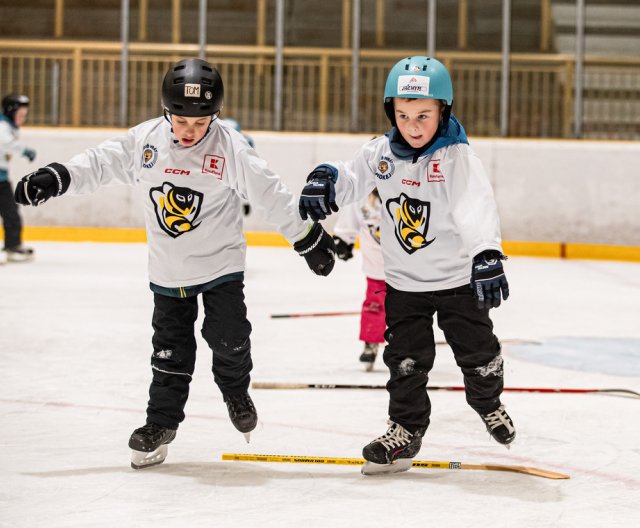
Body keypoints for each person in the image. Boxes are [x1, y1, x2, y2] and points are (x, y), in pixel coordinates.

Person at [14, 58, 336, 469]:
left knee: (229, 337)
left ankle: (235, 390)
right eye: (181, 121)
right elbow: (99, 163)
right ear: (167, 112)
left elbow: (271, 194)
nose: (190, 131)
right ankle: (160, 424)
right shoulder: (145, 141)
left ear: (215, 117)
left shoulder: (230, 147)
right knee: (169, 353)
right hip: (168, 271)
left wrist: (307, 240)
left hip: (220, 266)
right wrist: (57, 177)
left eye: (201, 123)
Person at [298, 56, 512, 474]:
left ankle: (488, 402)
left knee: (478, 353)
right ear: (390, 112)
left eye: (423, 116)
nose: (413, 126)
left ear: (443, 111)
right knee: (406, 363)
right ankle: (404, 429)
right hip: (404, 285)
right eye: (403, 115)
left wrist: (486, 252)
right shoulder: (381, 153)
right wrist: (325, 179)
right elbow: (352, 176)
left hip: (456, 282)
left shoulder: (456, 157)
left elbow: (476, 205)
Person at [333, 189, 386, 371]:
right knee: (374, 306)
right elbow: (349, 218)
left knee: (408, 310)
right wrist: (343, 239)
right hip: (377, 270)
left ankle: (408, 346)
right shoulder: (363, 198)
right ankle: (371, 343)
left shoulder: (408, 190)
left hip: (408, 271)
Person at [0, 94, 36, 264]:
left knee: (11, 213)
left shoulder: (8, 126)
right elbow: (5, 143)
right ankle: (12, 245)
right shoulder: (2, 127)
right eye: (21, 115)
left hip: (1, 178)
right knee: (10, 212)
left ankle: (13, 245)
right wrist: (24, 150)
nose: (23, 119)